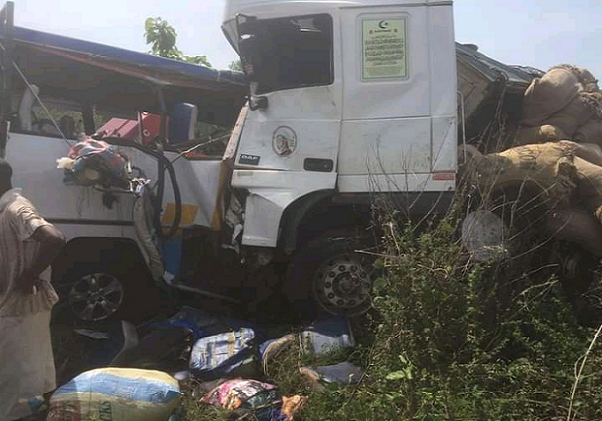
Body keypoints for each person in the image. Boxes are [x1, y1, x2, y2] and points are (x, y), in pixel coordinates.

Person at [0, 159, 66, 421]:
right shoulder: (5, 209)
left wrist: (27, 276)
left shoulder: (17, 209)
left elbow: (54, 238)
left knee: (15, 369)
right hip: (13, 303)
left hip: (21, 303)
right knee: (29, 364)